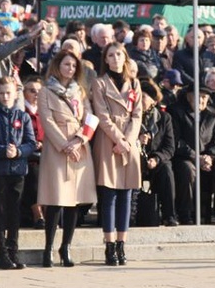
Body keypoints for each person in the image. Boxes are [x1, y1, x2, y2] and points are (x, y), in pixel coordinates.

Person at [38, 50, 97, 267]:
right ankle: (48, 248)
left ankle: (66, 246)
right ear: (57, 66)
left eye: (73, 66)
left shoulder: (79, 92)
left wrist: (80, 139)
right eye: (66, 64)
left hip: (79, 148)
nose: (70, 69)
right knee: (56, 200)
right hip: (57, 149)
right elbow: (46, 120)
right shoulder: (46, 92)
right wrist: (64, 145)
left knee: (74, 200)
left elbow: (90, 117)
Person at [91, 43, 142, 266]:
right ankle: (109, 245)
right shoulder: (99, 83)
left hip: (129, 142)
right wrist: (118, 139)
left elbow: (138, 116)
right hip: (108, 140)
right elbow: (101, 115)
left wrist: (128, 140)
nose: (115, 59)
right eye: (110, 55)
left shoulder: (134, 83)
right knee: (110, 194)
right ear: (106, 59)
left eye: (118, 54)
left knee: (126, 193)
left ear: (125, 57)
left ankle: (122, 243)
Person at [0, 77, 36, 269]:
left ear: (15, 94)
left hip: (18, 169)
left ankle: (13, 251)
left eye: (9, 93)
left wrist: (19, 151)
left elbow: (31, 142)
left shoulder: (23, 117)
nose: (5, 97)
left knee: (14, 212)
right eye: (2, 93)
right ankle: (2, 253)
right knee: (0, 212)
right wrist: (2, 150)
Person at [169, 85, 215, 226]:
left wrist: (210, 157)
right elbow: (176, 140)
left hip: (207, 158)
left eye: (204, 97)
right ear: (189, 96)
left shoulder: (214, 114)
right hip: (186, 157)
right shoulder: (176, 112)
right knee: (187, 169)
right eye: (197, 96)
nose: (201, 100)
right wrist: (196, 157)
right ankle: (186, 213)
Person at [138, 79, 177, 226]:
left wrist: (156, 159)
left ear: (153, 101)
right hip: (134, 160)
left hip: (154, 160)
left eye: (143, 97)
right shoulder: (130, 116)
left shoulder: (164, 118)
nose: (139, 101)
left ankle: (169, 215)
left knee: (166, 170)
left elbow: (169, 147)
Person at [21, 76, 45, 229]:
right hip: (28, 154)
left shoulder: (45, 110)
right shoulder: (21, 111)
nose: (36, 94)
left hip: (46, 152)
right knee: (34, 174)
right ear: (24, 92)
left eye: (39, 91)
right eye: (32, 91)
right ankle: (38, 214)